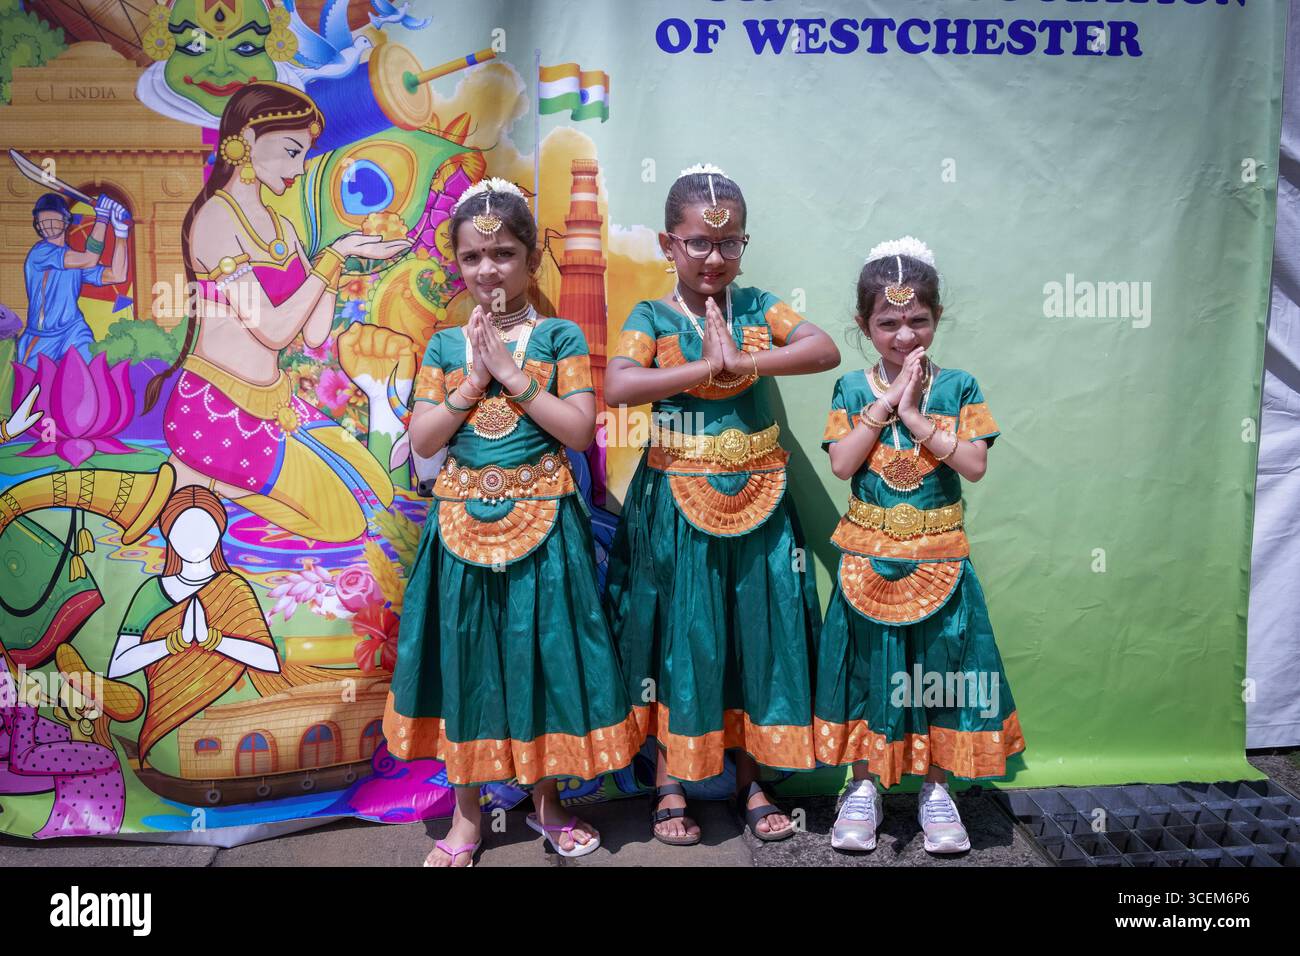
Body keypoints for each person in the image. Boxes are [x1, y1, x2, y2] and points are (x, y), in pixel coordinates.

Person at [382, 178, 642, 867]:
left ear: (531, 261)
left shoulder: (558, 336)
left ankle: (549, 804)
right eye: (472, 257)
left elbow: (580, 431)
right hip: (461, 529)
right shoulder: (442, 346)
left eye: (502, 254)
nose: (487, 270)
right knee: (466, 660)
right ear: (458, 265)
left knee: (543, 655)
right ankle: (467, 820)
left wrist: (510, 371)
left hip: (544, 527)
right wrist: (472, 379)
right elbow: (427, 441)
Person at [603, 164, 840, 845]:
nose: (714, 257)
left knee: (752, 632)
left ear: (743, 245)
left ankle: (751, 779)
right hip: (674, 505)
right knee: (681, 636)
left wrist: (744, 360)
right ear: (667, 245)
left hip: (761, 504)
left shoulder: (762, 307)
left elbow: (821, 349)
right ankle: (670, 783)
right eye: (698, 243)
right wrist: (707, 368)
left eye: (729, 242)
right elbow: (620, 384)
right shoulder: (651, 316)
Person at [815, 237, 1025, 854]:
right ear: (863, 325)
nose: (903, 336)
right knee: (866, 670)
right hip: (867, 562)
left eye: (917, 321)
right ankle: (862, 788)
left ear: (935, 319)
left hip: (939, 560)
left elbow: (975, 464)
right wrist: (885, 405)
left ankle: (937, 790)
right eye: (887, 323)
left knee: (941, 671)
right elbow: (844, 464)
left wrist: (915, 415)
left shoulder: (959, 385)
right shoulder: (852, 391)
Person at [140, 81, 412, 543]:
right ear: (245, 141)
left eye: (304, 156)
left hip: (275, 403)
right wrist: (331, 258)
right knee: (344, 522)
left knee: (378, 488)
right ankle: (207, 481)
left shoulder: (282, 225)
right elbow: (272, 330)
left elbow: (313, 333)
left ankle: (207, 482)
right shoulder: (215, 220)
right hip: (217, 410)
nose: (299, 169)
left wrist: (340, 256)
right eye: (290, 152)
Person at [17, 192, 130, 368]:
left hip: (73, 331)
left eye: (53, 219)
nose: (47, 226)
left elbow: (117, 274)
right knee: (31, 390)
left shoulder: (74, 261)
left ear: (66, 220)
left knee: (93, 374)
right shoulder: (40, 253)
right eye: (42, 220)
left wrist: (121, 232)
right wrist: (101, 217)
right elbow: (89, 259)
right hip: (41, 336)